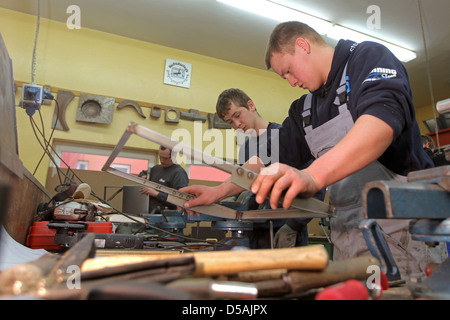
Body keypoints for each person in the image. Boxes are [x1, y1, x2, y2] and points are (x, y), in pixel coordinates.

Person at [182, 21, 447, 280]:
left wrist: (312, 176)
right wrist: (218, 192)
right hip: (348, 235)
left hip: (400, 233)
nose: (290, 81)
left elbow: (381, 124)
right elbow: (265, 160)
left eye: (288, 70)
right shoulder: (304, 111)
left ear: (303, 45)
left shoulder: (366, 58)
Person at [140, 145, 189, 213]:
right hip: (147, 213)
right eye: (160, 157)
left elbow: (180, 200)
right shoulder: (156, 169)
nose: (162, 160)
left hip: (165, 217)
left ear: (174, 156)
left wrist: (156, 194)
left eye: (165, 158)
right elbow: (142, 173)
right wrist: (143, 176)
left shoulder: (179, 173)